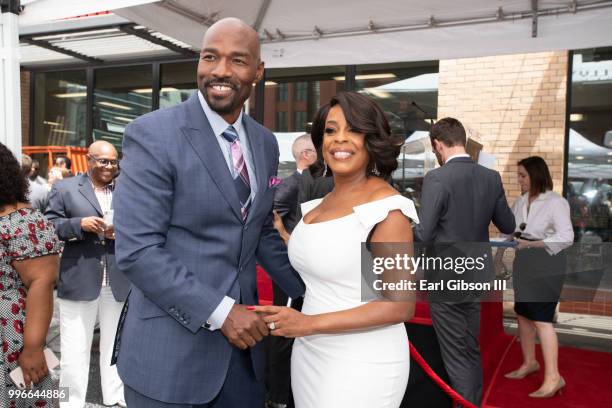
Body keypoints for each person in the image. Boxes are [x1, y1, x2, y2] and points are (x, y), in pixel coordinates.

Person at [113, 17, 305, 408]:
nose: (220, 71)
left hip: (244, 362)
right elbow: (137, 252)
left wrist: (317, 293)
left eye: (237, 60)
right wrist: (221, 312)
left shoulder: (266, 143)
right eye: (210, 57)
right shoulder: (152, 133)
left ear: (258, 70)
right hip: (168, 357)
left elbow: (261, 233)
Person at [253, 91, 418, 407]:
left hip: (362, 361)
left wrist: (307, 323)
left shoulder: (385, 210)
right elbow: (328, 264)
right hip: (311, 353)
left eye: (353, 130)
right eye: (330, 130)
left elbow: (398, 306)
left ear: (371, 140)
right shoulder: (321, 204)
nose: (340, 140)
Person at [413, 117, 516, 406]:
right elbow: (508, 224)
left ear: (438, 145)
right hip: (477, 274)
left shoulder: (437, 178)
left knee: (457, 354)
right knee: (470, 347)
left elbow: (425, 233)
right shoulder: (490, 177)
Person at [45, 141, 129, 408]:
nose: (109, 167)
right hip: (80, 277)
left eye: (114, 162)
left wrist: (122, 233)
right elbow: (48, 226)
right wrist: (78, 224)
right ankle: (71, 403)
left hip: (117, 280)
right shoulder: (65, 188)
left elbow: (143, 224)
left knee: (115, 347)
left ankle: (114, 396)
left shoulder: (127, 190)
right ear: (89, 161)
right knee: (73, 349)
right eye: (103, 161)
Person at [501, 156, 573, 398]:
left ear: (535, 175)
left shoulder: (556, 202)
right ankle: (530, 362)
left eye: (522, 175)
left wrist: (533, 244)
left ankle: (554, 377)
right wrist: (498, 255)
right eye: (518, 175)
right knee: (523, 314)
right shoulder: (520, 201)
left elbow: (566, 237)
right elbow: (510, 232)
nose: (518, 180)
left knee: (542, 319)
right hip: (525, 261)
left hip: (548, 263)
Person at [0, 143, 62, 408]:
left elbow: (42, 282)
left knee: (20, 398)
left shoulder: (24, 221)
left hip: (11, 337)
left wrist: (34, 348)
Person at [266, 134, 317, 408]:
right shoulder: (292, 184)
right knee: (283, 331)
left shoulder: (311, 183)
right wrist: (286, 239)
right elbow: (270, 218)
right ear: (307, 154)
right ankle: (277, 397)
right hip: (289, 271)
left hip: (302, 270)